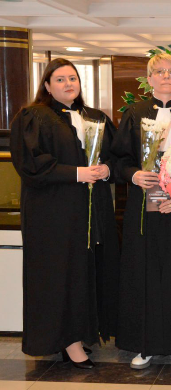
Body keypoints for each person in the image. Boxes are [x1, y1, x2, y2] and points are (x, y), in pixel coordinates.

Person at [10, 58, 120, 369]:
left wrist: (107, 169)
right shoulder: (33, 117)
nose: (68, 84)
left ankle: (84, 333)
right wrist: (77, 173)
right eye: (60, 79)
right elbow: (30, 164)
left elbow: (117, 156)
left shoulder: (95, 117)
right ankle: (68, 342)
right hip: (53, 214)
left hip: (92, 211)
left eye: (73, 78)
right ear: (47, 85)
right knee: (61, 275)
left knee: (87, 271)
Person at [112, 53, 171, 370]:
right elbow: (119, 159)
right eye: (159, 71)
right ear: (149, 79)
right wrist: (134, 174)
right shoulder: (134, 113)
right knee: (144, 271)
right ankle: (146, 344)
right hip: (144, 205)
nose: (165, 76)